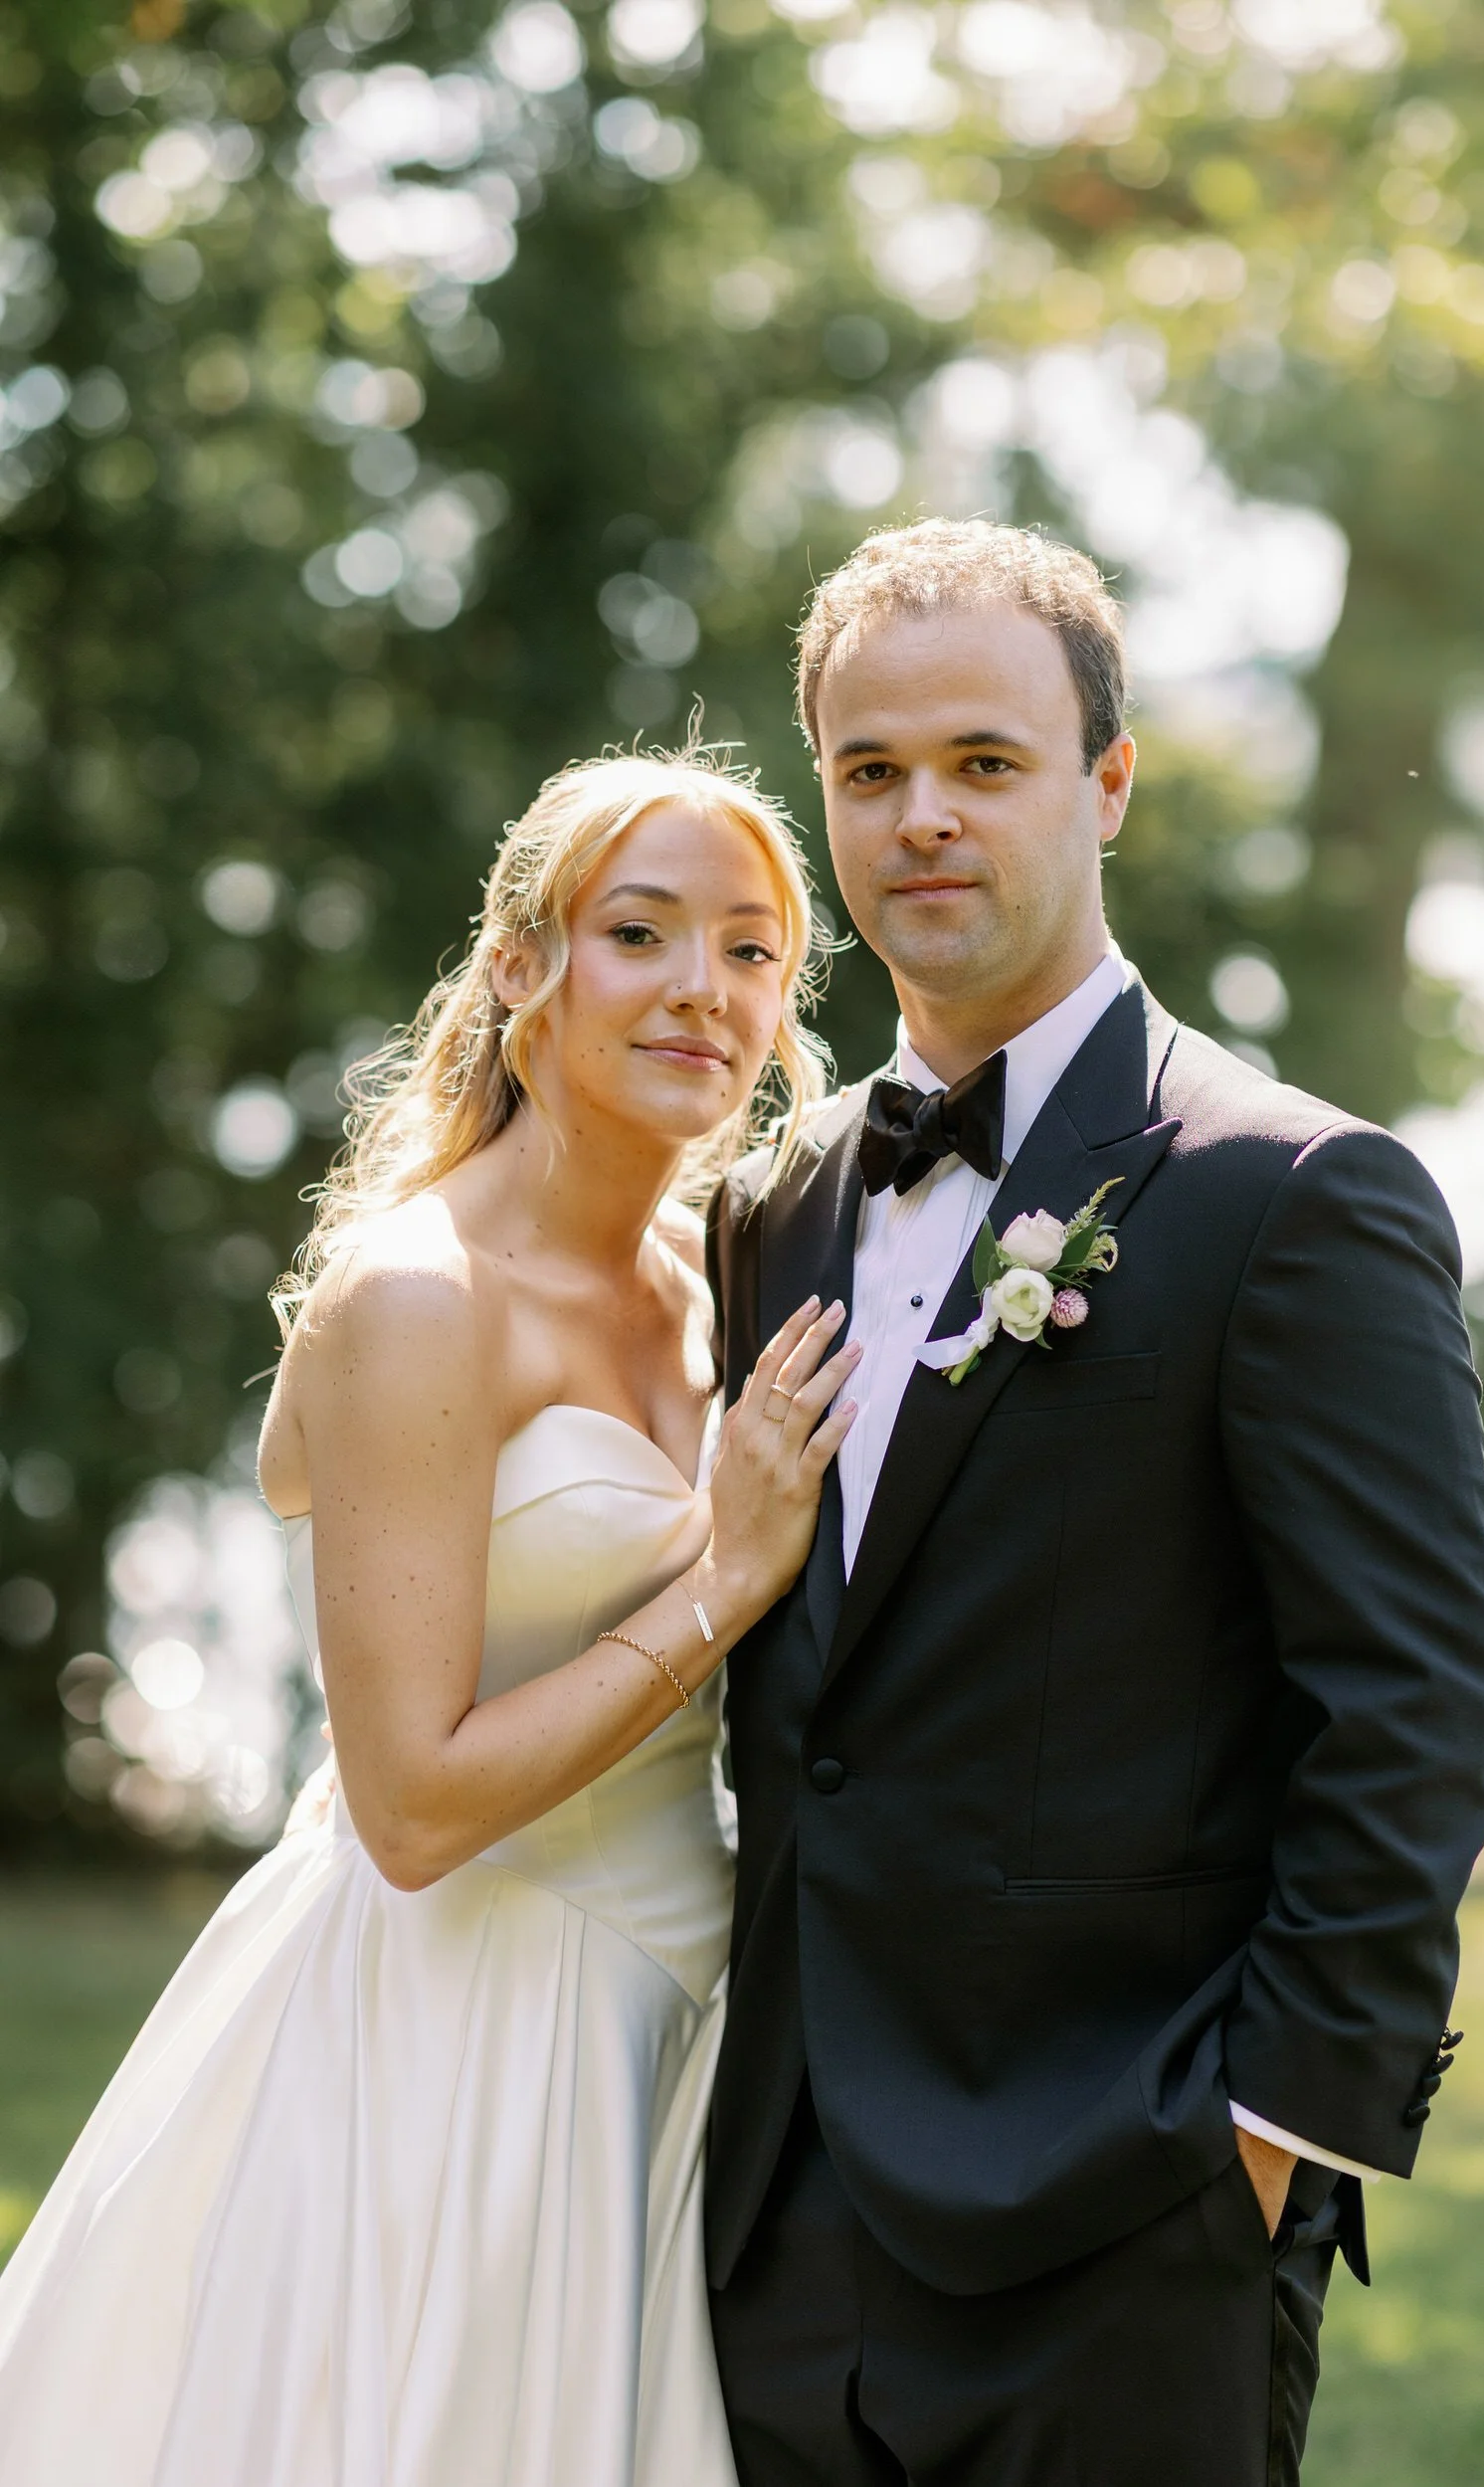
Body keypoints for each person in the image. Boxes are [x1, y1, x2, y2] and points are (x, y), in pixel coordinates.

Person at [703, 520, 1484, 2486]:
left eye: (983, 763)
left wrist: (1256, 2147)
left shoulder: (1291, 1193)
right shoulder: (771, 1200)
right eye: (869, 770)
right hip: (772, 2212)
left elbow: (1412, 1709)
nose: (920, 818)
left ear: (1107, 781)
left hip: (1122, 2209)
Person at [0, 751, 855, 2487]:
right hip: (468, 2024)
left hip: (684, 2018)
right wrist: (722, 1582)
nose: (706, 986)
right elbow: (407, 1810)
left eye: (754, 952)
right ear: (524, 966)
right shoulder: (418, 1296)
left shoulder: (730, 1276)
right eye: (644, 932)